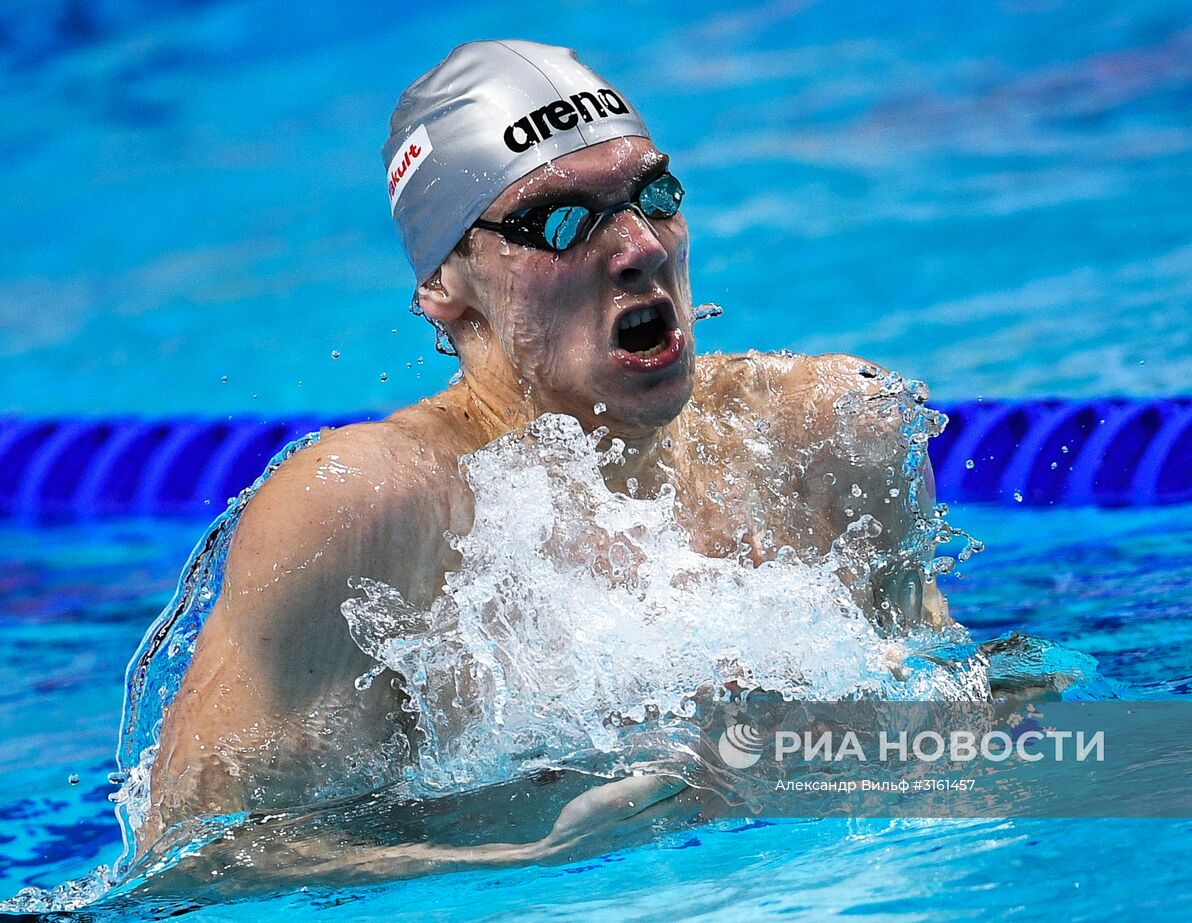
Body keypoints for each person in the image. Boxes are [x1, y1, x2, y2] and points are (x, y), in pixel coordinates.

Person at [135, 40, 950, 889]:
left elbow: (968, 719)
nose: (639, 246)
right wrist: (526, 858)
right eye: (560, 221)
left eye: (655, 196)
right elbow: (199, 868)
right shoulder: (372, 509)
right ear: (446, 284)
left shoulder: (826, 439)